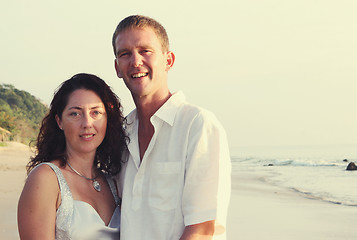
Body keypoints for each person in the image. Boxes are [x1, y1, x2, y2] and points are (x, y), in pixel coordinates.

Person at [112, 15, 232, 239]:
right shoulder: (121, 134)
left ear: (169, 60)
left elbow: (202, 229)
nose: (135, 61)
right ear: (117, 67)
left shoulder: (197, 125)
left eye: (145, 50)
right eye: (125, 54)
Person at [17, 73, 128, 239]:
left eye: (96, 112)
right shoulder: (46, 179)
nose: (87, 123)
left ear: (107, 119)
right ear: (59, 121)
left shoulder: (114, 181)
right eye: (75, 114)